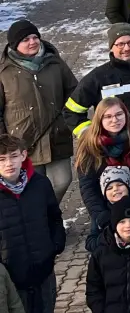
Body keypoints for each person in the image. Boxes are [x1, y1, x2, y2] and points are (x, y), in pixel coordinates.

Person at [0, 21, 76, 200]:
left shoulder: (54, 62)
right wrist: (4, 142)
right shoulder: (4, 72)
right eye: (26, 39)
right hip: (23, 142)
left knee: (62, 181)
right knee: (30, 187)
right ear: (14, 44)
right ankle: (40, 215)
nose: (32, 42)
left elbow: (73, 92)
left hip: (56, 136)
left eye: (35, 37)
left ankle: (48, 211)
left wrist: (66, 120)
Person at [0, 134, 65, 313]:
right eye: (2, 159)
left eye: (13, 156)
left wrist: (55, 245)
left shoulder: (40, 184)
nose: (9, 163)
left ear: (24, 155)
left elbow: (54, 216)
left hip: (43, 273)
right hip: (12, 279)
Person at [74, 98, 130, 231]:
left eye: (119, 114)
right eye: (108, 116)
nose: (114, 120)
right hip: (106, 207)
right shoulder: (89, 145)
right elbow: (88, 186)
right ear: (99, 119)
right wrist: (100, 215)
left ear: (126, 114)